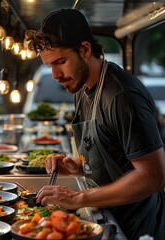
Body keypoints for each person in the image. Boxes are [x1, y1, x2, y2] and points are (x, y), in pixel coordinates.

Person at [24, 9, 165, 240]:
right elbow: (116, 154)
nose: (55, 75)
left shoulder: (122, 95)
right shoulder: (82, 88)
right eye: (50, 65)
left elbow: (153, 176)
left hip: (141, 226)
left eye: (60, 62)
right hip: (111, 215)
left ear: (85, 49)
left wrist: (78, 198)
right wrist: (78, 166)